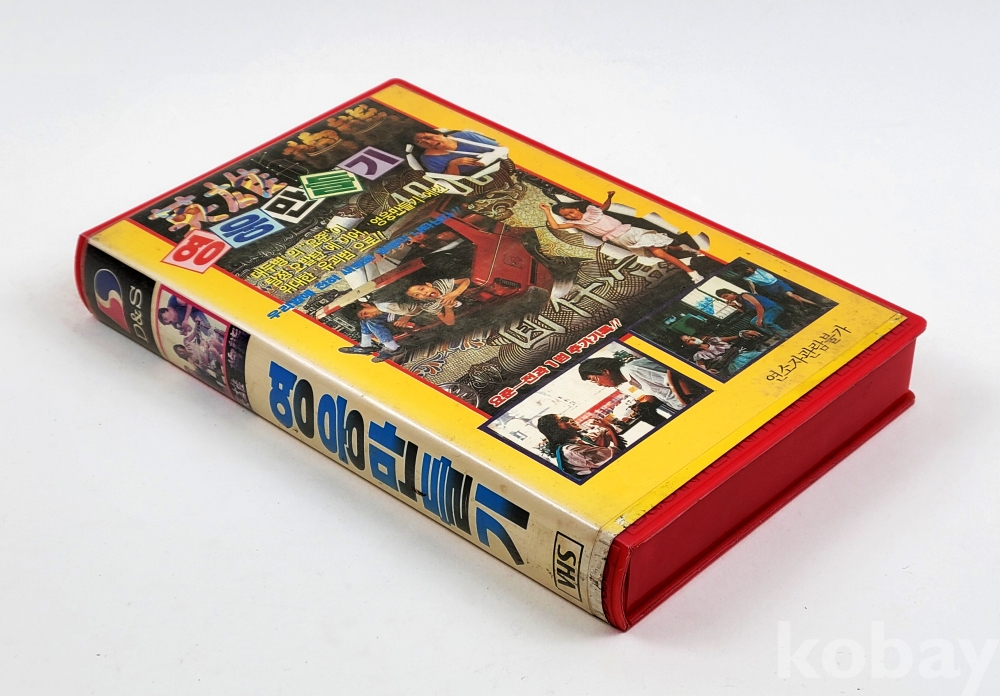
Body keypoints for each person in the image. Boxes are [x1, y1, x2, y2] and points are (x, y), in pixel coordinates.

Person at [540, 192, 704, 283]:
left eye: (571, 211)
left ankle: (692, 273)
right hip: (621, 241)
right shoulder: (578, 224)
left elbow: (604, 206)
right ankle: (684, 248)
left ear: (576, 208)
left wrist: (609, 196)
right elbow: (555, 226)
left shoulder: (593, 211)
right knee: (664, 250)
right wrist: (547, 212)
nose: (571, 215)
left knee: (660, 253)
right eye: (567, 216)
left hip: (630, 232)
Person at [578, 355, 692, 420]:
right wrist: (645, 404)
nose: (599, 384)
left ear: (605, 371)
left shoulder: (634, 369)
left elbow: (678, 379)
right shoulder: (630, 376)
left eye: (595, 380)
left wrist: (690, 403)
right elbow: (654, 389)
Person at [536, 414, 621, 480]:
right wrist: (609, 427)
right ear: (555, 429)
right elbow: (618, 454)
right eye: (563, 419)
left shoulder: (576, 441)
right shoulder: (572, 450)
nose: (570, 419)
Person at [413, 131, 507, 176]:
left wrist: (491, 157)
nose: (429, 142)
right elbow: (448, 180)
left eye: (428, 137)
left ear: (439, 134)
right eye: (422, 143)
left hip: (501, 168)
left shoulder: (465, 136)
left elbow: (501, 147)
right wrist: (453, 164)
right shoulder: (429, 159)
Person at [680, 331, 765, 375]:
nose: (692, 339)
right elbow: (702, 370)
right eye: (688, 341)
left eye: (690, 337)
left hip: (743, 355)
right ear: (687, 346)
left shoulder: (713, 340)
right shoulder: (699, 355)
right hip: (733, 365)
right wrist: (708, 372)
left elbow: (734, 338)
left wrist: (744, 333)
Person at [716, 288, 791, 338]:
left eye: (726, 296)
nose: (727, 298)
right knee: (752, 322)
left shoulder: (744, 295)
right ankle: (775, 334)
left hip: (773, 308)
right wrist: (735, 306)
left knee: (766, 322)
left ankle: (786, 335)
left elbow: (759, 306)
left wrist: (759, 319)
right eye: (724, 298)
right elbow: (744, 312)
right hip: (766, 311)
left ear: (731, 293)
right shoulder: (739, 300)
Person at [403, 277, 471, 327]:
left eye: (422, 289)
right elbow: (449, 322)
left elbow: (466, 280)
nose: (423, 293)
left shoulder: (440, 284)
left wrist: (454, 293)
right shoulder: (428, 306)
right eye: (417, 295)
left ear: (428, 285)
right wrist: (448, 308)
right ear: (417, 299)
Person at [739, 265, 818, 307]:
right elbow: (751, 284)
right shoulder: (747, 278)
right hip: (770, 287)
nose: (748, 271)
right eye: (746, 271)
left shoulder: (759, 268)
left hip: (777, 282)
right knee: (791, 297)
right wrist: (754, 291)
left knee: (790, 295)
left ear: (750, 267)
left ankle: (806, 305)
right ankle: (812, 304)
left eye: (748, 269)